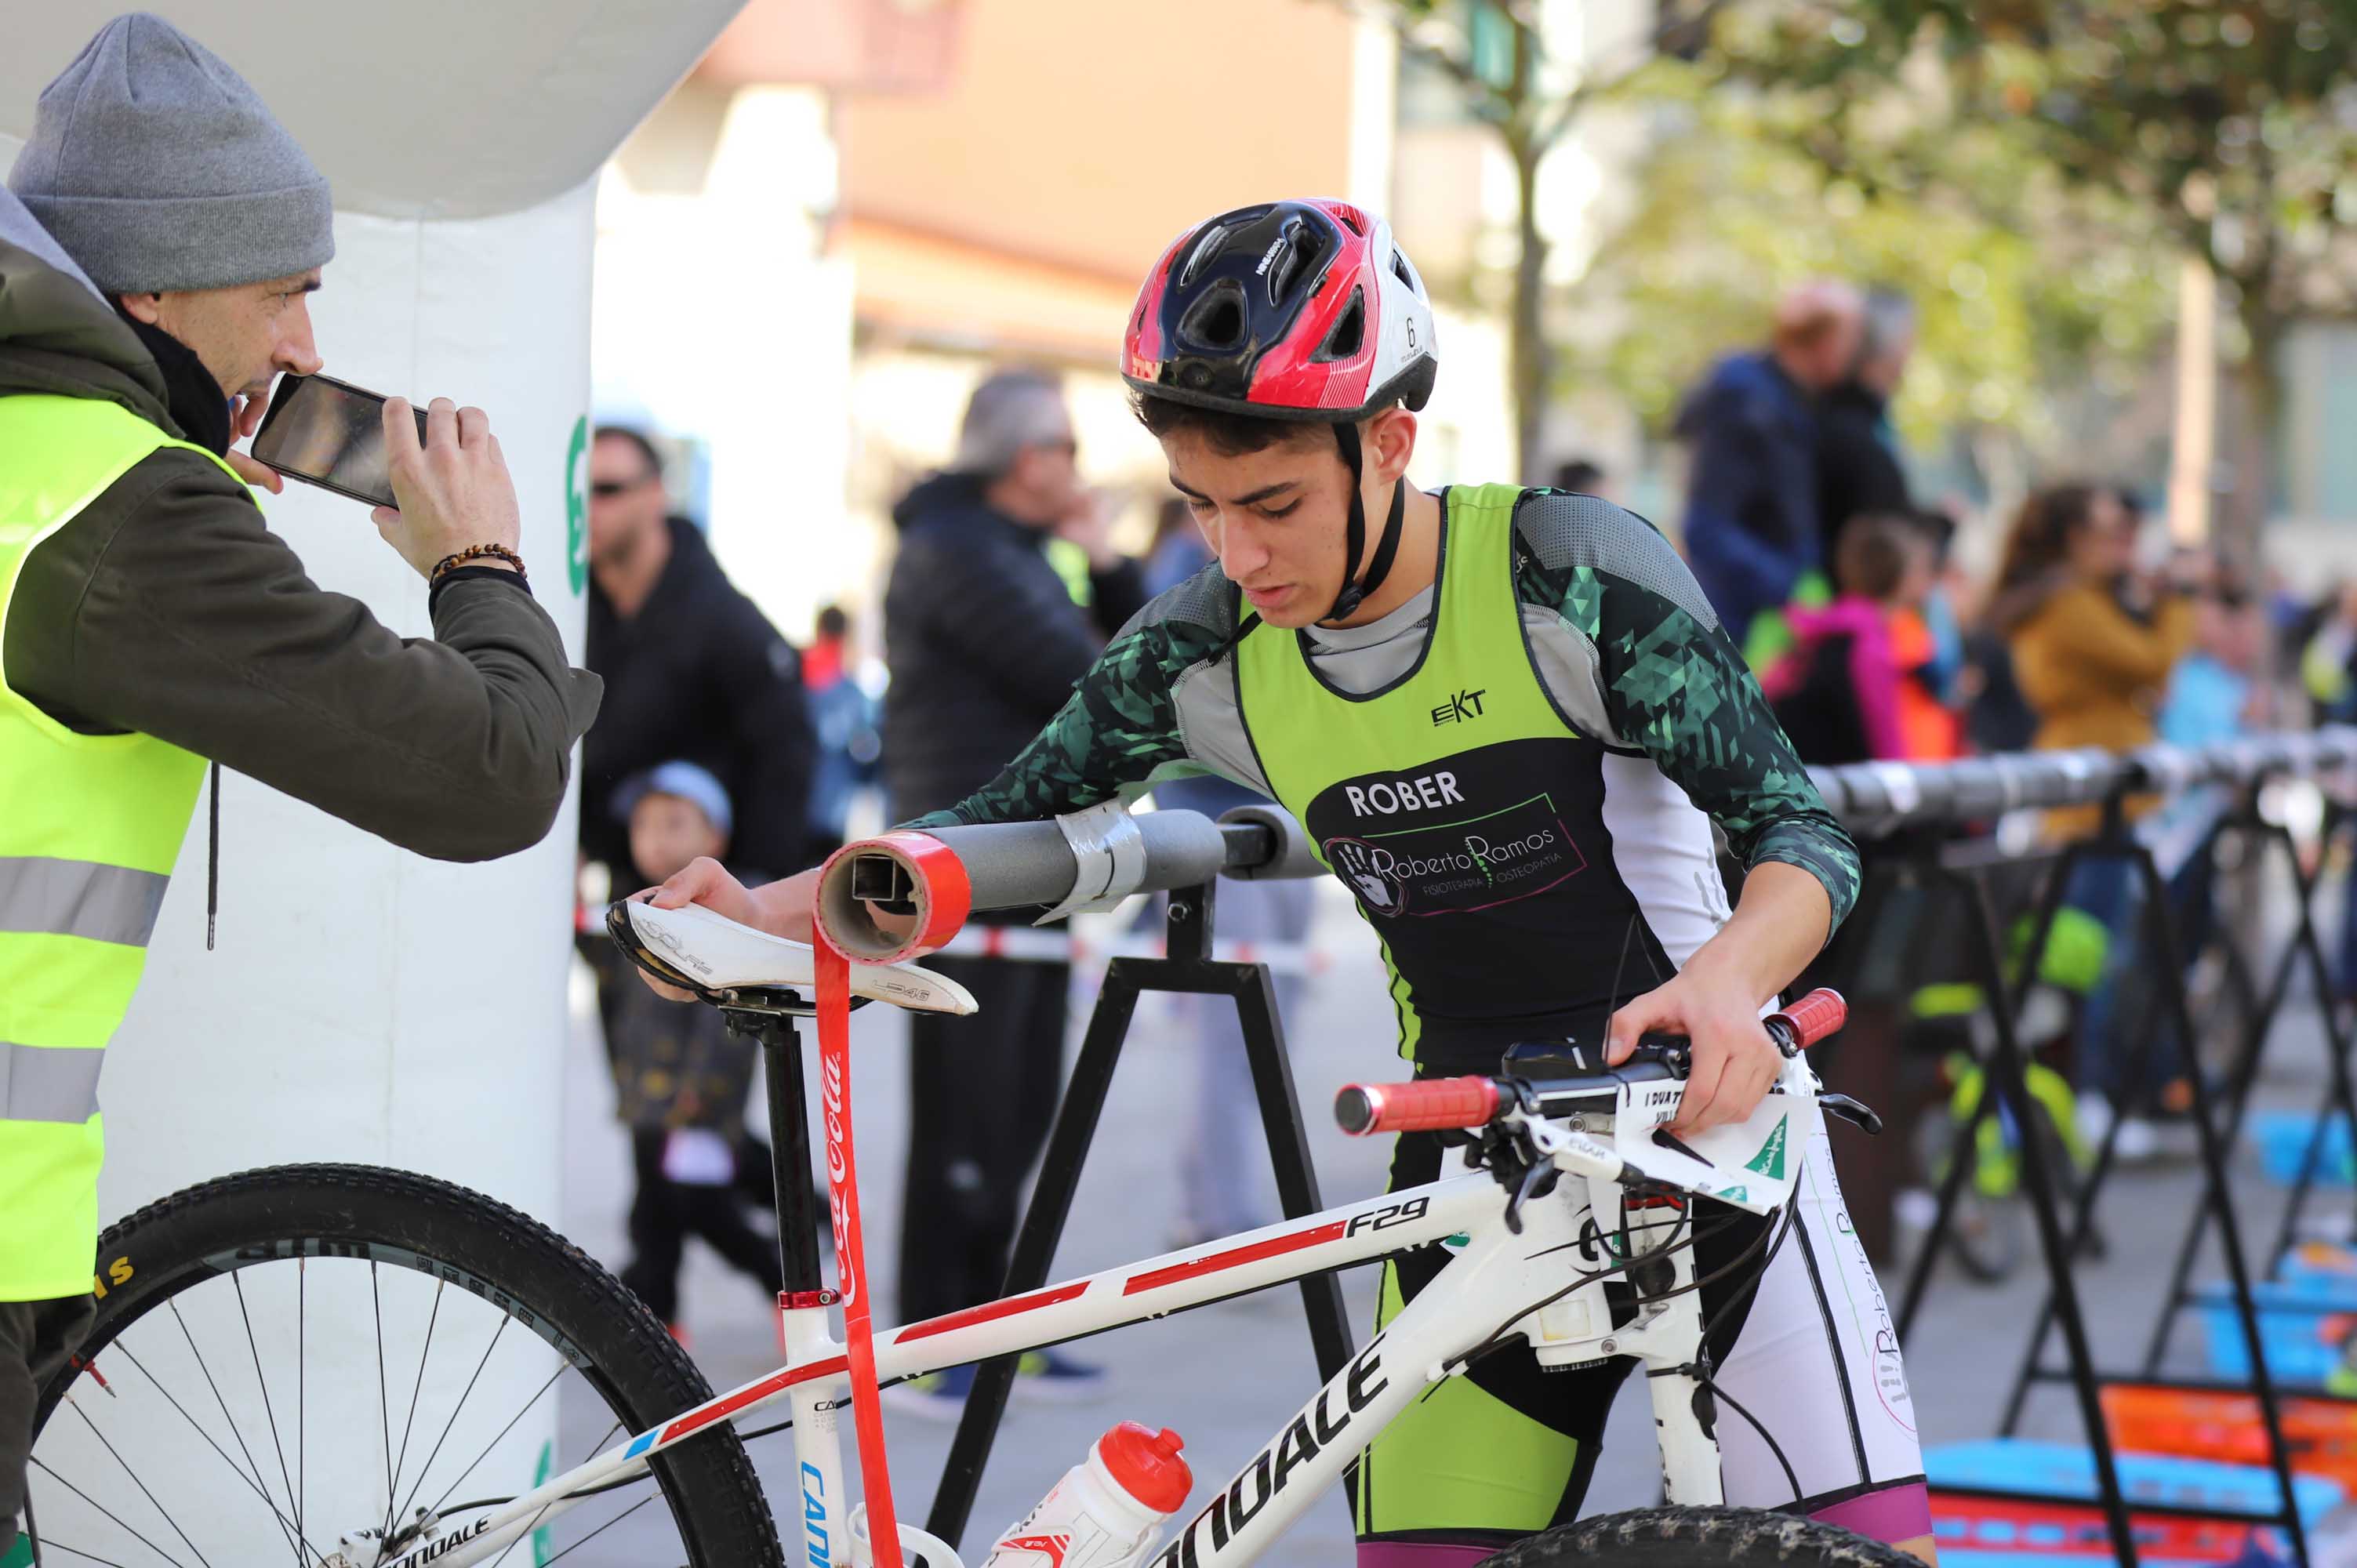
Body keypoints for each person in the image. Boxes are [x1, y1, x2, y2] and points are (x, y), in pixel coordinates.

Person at [645, 201, 1932, 1563]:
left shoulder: (1568, 573)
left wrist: (1729, 981)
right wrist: (773, 904)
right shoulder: (1207, 644)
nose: (1239, 555)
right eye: (1200, 508)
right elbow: (1011, 810)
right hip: (1474, 1171)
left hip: (1711, 1154)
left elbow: (1802, 835)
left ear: (1388, 440)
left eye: (1272, 505)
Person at [0, 15, 598, 1555]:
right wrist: (478, 565)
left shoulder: (63, 474)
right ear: (151, 290)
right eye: (284, 296)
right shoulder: (123, 518)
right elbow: (490, 775)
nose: (306, 355)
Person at [876, 368, 1149, 1413]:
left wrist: (1107, 562)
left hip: (1025, 864)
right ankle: (930, 1336)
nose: (1077, 471)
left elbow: (1123, 665)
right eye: (1067, 450)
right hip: (961, 866)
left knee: (1021, 1103)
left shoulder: (1017, 552)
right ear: (1023, 458)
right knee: (965, 1104)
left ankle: (998, 1320)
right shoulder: (955, 551)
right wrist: (1105, 559)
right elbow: (1090, 685)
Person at [1990, 484, 2200, 1152]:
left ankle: (2078, 1098)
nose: (2124, 548)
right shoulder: (2069, 602)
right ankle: (2071, 1099)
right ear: (2072, 538)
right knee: (2081, 962)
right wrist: (2180, 602)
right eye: (2110, 534)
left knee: (2092, 957)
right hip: (2086, 808)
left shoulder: (2080, 599)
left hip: (2103, 801)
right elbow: (2151, 661)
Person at [1140, 499, 1314, 1248]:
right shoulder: (1187, 578)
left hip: (1282, 827)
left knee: (1266, 1032)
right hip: (1217, 835)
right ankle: (1214, 1214)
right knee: (1229, 1035)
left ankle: (1226, 1201)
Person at [579, 425, 815, 886]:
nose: (590, 508)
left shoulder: (723, 617)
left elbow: (786, 750)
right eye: (581, 492)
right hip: (622, 884)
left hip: (723, 892)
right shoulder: (575, 611)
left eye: (607, 489)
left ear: (655, 495)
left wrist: (756, 888)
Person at [608, 763, 785, 1342]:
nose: (656, 837)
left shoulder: (722, 917)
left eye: (674, 823)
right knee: (654, 1219)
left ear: (715, 840)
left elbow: (727, 1021)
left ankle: (780, 1283)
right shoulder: (631, 911)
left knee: (706, 1213)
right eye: (644, 824)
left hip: (694, 1106)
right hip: (645, 1106)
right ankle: (656, 1317)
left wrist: (704, 1096)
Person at [1676, 280, 1865, 653]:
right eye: (1850, 338)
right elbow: (1707, 526)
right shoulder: (1747, 403)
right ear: (1825, 340)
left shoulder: (1788, 404)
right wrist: (1787, 587)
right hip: (1739, 631)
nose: (1854, 352)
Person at [1763, 514, 1935, 764]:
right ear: (1902, 578)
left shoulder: (1819, 628)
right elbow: (1887, 746)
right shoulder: (1870, 645)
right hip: (1833, 788)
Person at [803, 604, 881, 858]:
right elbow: (867, 760)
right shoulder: (852, 694)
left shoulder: (798, 680)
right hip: (828, 810)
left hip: (807, 809)